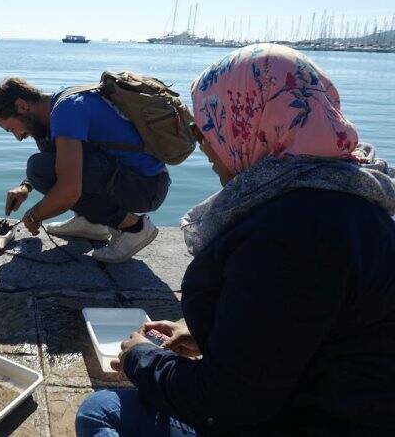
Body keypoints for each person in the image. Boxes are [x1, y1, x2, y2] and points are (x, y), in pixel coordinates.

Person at [76, 44, 395, 436]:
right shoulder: (351, 193)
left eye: (208, 124)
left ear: (248, 119)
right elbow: (309, 325)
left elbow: (227, 400)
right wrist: (207, 331)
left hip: (308, 419)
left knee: (101, 410)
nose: (201, 141)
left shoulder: (290, 234)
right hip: (344, 402)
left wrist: (139, 359)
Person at [0, 78, 170, 262]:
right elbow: (60, 159)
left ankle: (133, 228)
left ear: (22, 106)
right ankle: (91, 222)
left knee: (39, 168)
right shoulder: (55, 107)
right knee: (44, 160)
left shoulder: (66, 110)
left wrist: (35, 215)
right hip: (135, 179)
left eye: (12, 129)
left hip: (146, 187)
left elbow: (69, 191)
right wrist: (26, 187)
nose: (18, 137)